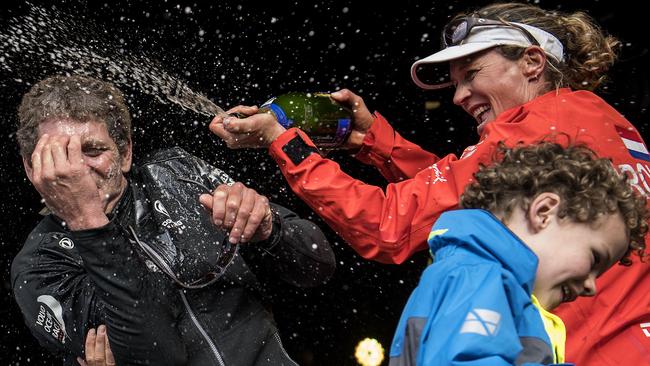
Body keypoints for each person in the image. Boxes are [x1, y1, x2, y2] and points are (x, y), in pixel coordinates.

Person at [209, 2, 650, 364]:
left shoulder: (531, 129)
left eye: (472, 75)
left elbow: (386, 226)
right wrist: (371, 141)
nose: (458, 97)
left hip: (594, 352)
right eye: (456, 84)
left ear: (532, 62)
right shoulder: (602, 120)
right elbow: (473, 189)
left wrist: (284, 143)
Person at [11, 74, 335, 365]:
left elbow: (318, 265)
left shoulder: (177, 174)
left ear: (125, 154)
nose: (79, 169)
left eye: (93, 150)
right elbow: (159, 354)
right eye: (61, 156)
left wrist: (269, 228)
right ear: (31, 167)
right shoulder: (42, 263)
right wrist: (88, 222)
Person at [389, 142, 648, 365]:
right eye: (594, 259)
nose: (591, 286)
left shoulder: (485, 282)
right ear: (544, 212)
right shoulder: (478, 276)